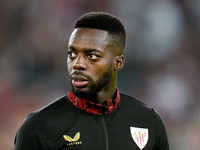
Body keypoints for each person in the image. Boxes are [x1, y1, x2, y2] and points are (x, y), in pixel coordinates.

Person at [14, 12, 169, 150]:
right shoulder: (39, 126)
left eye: (92, 56)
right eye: (72, 54)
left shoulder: (148, 121)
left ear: (118, 63)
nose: (77, 64)